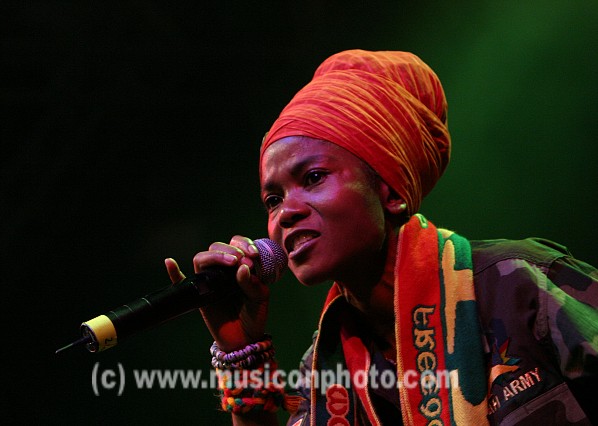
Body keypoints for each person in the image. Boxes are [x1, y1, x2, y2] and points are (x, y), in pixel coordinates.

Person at [164, 50, 598, 425]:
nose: (286, 213)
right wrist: (241, 351)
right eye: (273, 200)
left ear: (390, 191)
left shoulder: (517, 284)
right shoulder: (325, 373)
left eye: (313, 178)